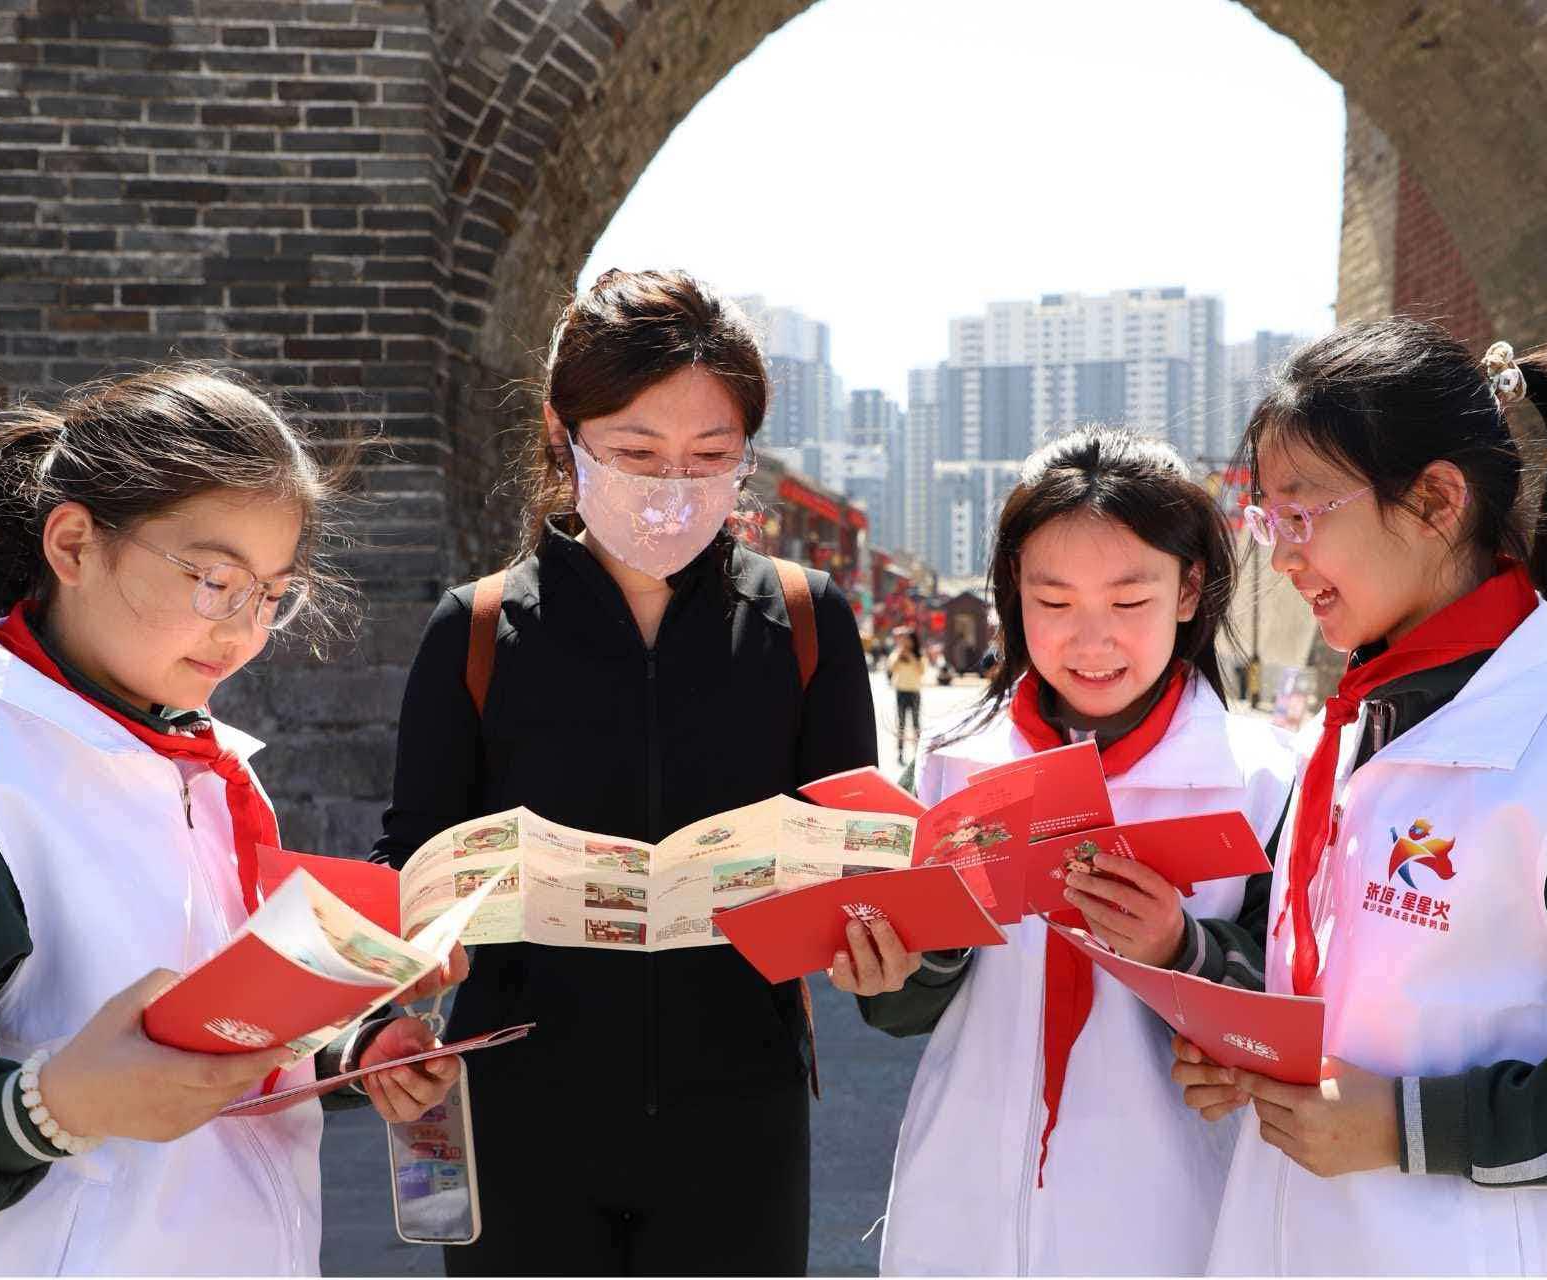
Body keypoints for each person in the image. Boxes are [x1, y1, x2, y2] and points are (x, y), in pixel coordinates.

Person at [0, 367, 464, 1274]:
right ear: (73, 544)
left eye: (272, 595)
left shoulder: (206, 766)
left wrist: (352, 1048)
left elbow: (216, 1026)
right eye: (215, 580)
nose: (243, 632)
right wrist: (54, 1105)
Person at [1177, 321, 1547, 1275]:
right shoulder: (1358, 728)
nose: (1284, 558)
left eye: (1303, 515)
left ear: (1435, 500)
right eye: (1268, 521)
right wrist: (1254, 1045)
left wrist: (1411, 1125)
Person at [371, 269, 877, 1276]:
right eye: (636, 454)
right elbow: (412, 855)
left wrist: (878, 939)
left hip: (739, 1115)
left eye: (711, 457)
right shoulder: (476, 630)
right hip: (522, 1110)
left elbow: (856, 845)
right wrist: (391, 1006)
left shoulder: (806, 620)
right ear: (563, 436)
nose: (672, 489)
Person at [833, 426, 1297, 1275]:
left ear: (1190, 588)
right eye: (1054, 603)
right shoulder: (952, 764)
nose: (1091, 642)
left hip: (1174, 1219)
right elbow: (904, 1012)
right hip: (965, 1206)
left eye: (1128, 602)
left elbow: (1301, 1010)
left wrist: (1181, 949)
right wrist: (900, 962)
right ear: (1015, 591)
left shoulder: (1262, 781)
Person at [888, 627, 928, 763]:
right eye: (904, 639)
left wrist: (910, 656)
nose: (905, 642)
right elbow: (891, 668)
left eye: (908, 639)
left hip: (914, 692)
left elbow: (921, 671)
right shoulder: (897, 653)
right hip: (901, 692)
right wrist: (899, 655)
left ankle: (917, 753)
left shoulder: (919, 655)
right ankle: (900, 752)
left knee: (916, 724)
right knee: (901, 723)